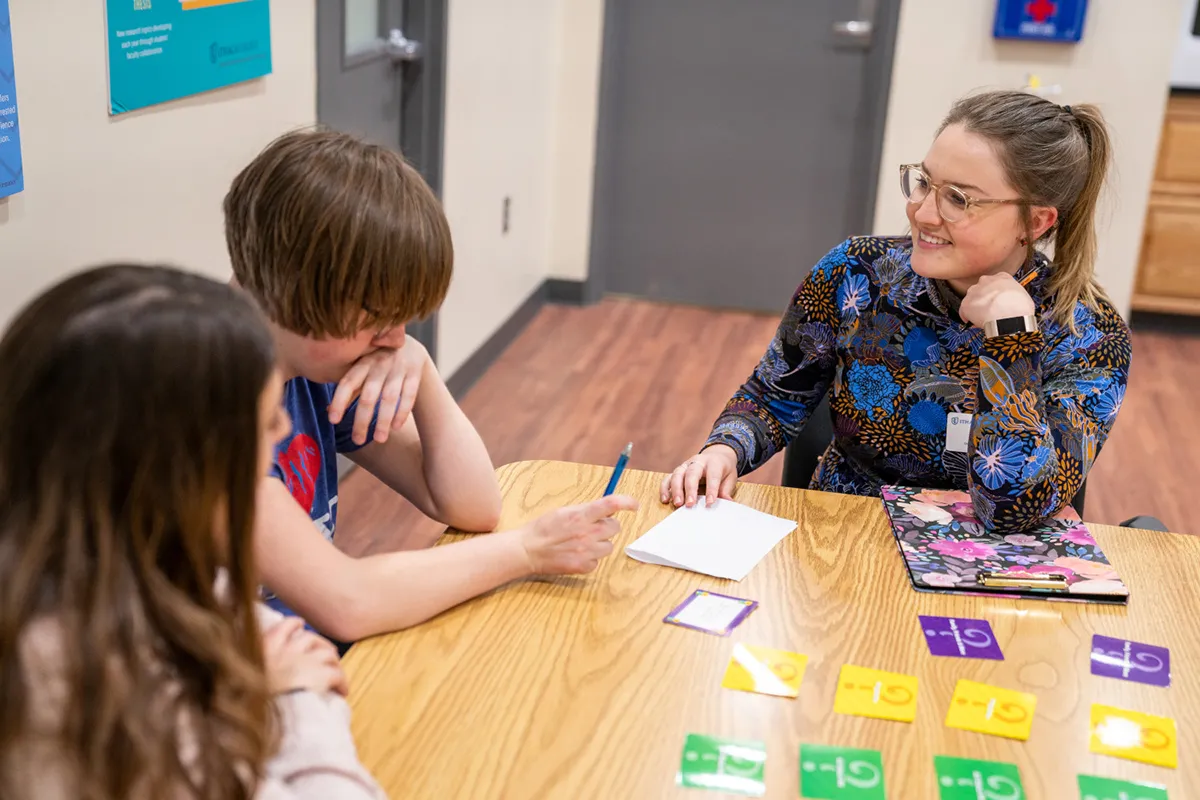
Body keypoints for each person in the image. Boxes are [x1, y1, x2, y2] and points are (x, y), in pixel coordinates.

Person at [224, 128, 638, 646]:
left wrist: (420, 369)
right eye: (377, 317)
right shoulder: (206, 409)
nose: (394, 339)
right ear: (289, 288)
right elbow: (349, 601)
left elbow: (472, 506)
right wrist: (528, 550)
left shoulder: (310, 370)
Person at [663, 90, 1132, 533]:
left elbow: (1009, 510)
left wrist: (1011, 338)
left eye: (959, 199)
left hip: (986, 570)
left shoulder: (1090, 334)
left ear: (1035, 221)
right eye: (925, 182)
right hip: (842, 537)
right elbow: (774, 394)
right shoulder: (858, 272)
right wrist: (725, 450)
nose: (923, 213)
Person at [0, 265, 385, 798]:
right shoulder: (81, 678)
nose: (285, 430)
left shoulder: (120, 560)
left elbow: (247, 631)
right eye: (267, 417)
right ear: (179, 464)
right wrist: (295, 700)